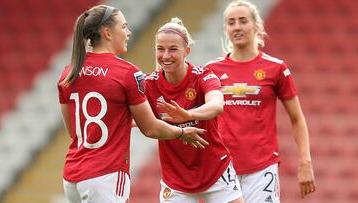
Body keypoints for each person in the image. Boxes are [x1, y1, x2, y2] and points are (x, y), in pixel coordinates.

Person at [57, 5, 209, 203]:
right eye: (124, 27)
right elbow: (151, 128)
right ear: (107, 33)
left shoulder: (69, 72)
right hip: (105, 175)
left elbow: (74, 131)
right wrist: (181, 133)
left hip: (72, 178)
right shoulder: (127, 73)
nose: (128, 32)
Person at [205, 1, 316, 202]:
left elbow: (297, 118)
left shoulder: (276, 69)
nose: (237, 27)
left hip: (262, 168)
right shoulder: (210, 70)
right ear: (226, 29)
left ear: (256, 25)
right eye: (231, 22)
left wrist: (305, 162)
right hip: (222, 168)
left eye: (243, 21)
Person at [144, 17, 244, 203]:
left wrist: (188, 115)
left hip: (216, 170)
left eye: (173, 49)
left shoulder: (203, 76)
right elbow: (141, 120)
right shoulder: (149, 84)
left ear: (186, 51)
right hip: (175, 178)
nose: (165, 56)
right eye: (160, 49)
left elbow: (217, 105)